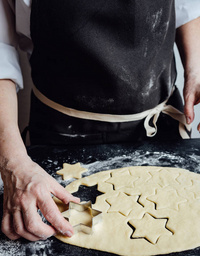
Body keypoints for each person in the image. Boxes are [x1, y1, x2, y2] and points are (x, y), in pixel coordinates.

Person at [0, 0, 200, 241]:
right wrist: (14, 163)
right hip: (63, 141)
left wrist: (196, 69)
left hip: (162, 129)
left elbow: (186, 7)